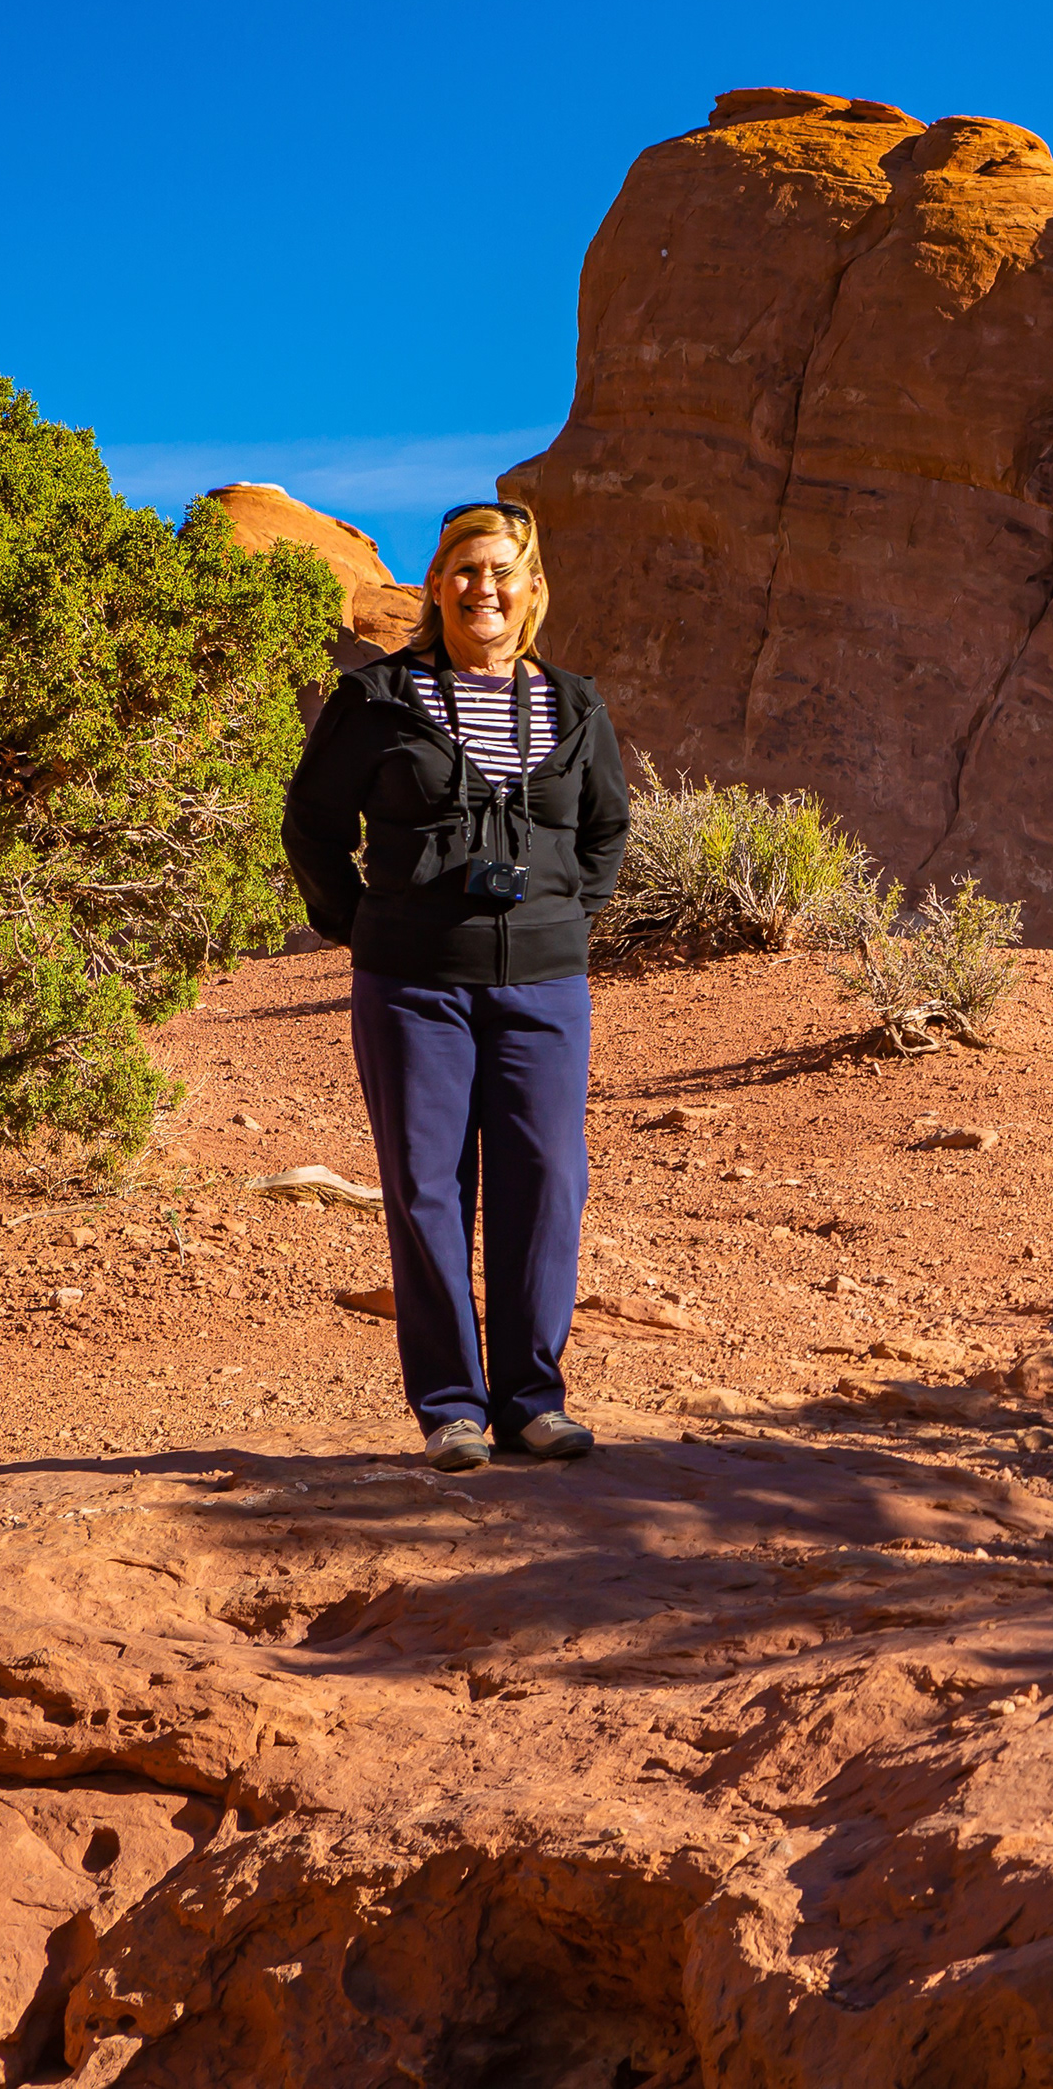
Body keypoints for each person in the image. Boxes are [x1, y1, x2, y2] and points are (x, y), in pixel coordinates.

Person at [282, 498, 630, 1471]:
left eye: (502, 570)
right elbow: (312, 823)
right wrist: (361, 926)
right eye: (465, 569)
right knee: (430, 1188)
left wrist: (568, 912)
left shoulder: (574, 701)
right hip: (413, 985)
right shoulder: (380, 698)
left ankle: (531, 1400)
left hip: (544, 987)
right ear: (437, 585)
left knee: (547, 1182)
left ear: (531, 588)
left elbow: (605, 829)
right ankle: (452, 1407)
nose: (485, 587)